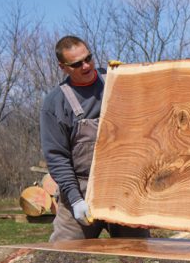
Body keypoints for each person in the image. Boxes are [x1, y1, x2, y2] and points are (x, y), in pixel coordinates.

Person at [40, 35, 151, 242]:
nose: (86, 65)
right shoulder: (55, 103)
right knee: (64, 255)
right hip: (81, 189)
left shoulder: (115, 80)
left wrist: (133, 78)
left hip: (124, 187)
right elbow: (57, 158)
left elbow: (150, 108)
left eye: (88, 58)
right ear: (63, 67)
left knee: (137, 255)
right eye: (77, 64)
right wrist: (75, 200)